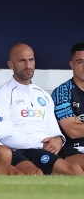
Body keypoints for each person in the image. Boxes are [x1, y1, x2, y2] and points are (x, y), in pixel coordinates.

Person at [0, 43, 83, 175]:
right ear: (11, 65)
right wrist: (41, 143)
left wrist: (59, 139)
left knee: (74, 170)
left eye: (31, 60)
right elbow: (2, 135)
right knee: (38, 174)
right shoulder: (2, 94)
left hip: (41, 150)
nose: (28, 65)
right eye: (22, 61)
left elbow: (54, 130)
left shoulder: (43, 95)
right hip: (18, 150)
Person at [51, 42, 84, 171]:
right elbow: (73, 131)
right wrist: (76, 125)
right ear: (72, 65)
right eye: (80, 62)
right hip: (73, 150)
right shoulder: (62, 92)